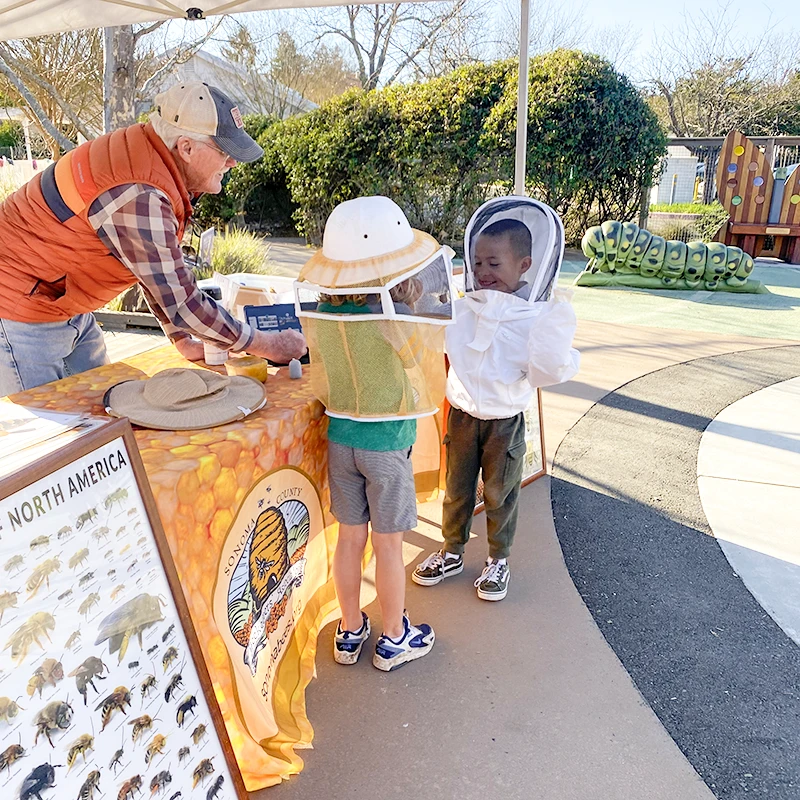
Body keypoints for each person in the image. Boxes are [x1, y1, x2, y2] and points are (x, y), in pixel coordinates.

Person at [0, 81, 305, 396]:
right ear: (185, 147)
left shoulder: (147, 158)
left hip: (63, 301)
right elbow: (185, 304)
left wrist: (181, 338)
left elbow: (148, 266)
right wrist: (267, 344)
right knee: (50, 436)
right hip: (20, 308)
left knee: (106, 415)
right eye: (225, 152)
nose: (233, 163)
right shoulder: (139, 191)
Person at [295, 196, 454, 670]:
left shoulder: (327, 316)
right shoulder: (390, 318)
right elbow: (417, 364)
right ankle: (394, 636)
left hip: (342, 437)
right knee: (388, 543)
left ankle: (348, 630)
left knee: (350, 538)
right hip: (386, 444)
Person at [412, 197, 580, 601]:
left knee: (500, 492)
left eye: (494, 263)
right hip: (463, 415)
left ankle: (498, 559)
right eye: (478, 263)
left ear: (525, 265)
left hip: (506, 420)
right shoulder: (465, 306)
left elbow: (547, 372)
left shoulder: (536, 317)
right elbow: (427, 327)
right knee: (456, 488)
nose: (484, 272)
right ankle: (452, 550)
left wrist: (553, 339)